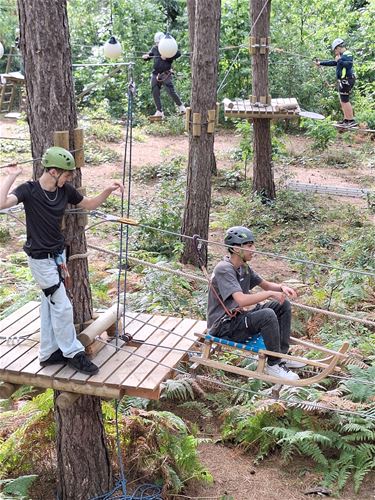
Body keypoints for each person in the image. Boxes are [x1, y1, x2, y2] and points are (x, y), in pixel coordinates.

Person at [0, 147, 124, 375]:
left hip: (58, 256)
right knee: (63, 307)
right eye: (67, 175)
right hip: (39, 259)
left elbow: (89, 204)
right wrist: (11, 175)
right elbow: (1, 203)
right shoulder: (29, 190)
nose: (69, 179)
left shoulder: (64, 190)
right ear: (54, 171)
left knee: (51, 305)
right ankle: (73, 353)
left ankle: (48, 353)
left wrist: (107, 190)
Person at [207, 226, 304, 382]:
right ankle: (274, 365)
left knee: (282, 305)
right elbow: (241, 300)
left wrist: (281, 287)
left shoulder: (244, 267)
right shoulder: (224, 269)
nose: (254, 249)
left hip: (238, 318)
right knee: (267, 315)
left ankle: (281, 355)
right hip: (224, 326)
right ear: (236, 248)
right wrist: (269, 294)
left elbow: (265, 285)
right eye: (249, 245)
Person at [142, 31, 186, 119]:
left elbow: (178, 53)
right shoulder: (155, 48)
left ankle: (181, 107)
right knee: (154, 91)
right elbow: (150, 55)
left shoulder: (168, 48)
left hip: (166, 73)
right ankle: (159, 111)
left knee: (170, 90)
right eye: (157, 43)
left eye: (159, 43)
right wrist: (146, 56)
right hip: (156, 73)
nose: (157, 44)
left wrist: (167, 56)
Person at [315, 38, 356, 128]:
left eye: (335, 50)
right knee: (343, 100)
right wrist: (321, 63)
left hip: (347, 80)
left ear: (338, 47)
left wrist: (339, 61)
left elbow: (349, 65)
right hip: (343, 81)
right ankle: (346, 119)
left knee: (345, 100)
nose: (335, 52)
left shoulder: (347, 54)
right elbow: (334, 62)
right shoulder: (341, 56)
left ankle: (351, 120)